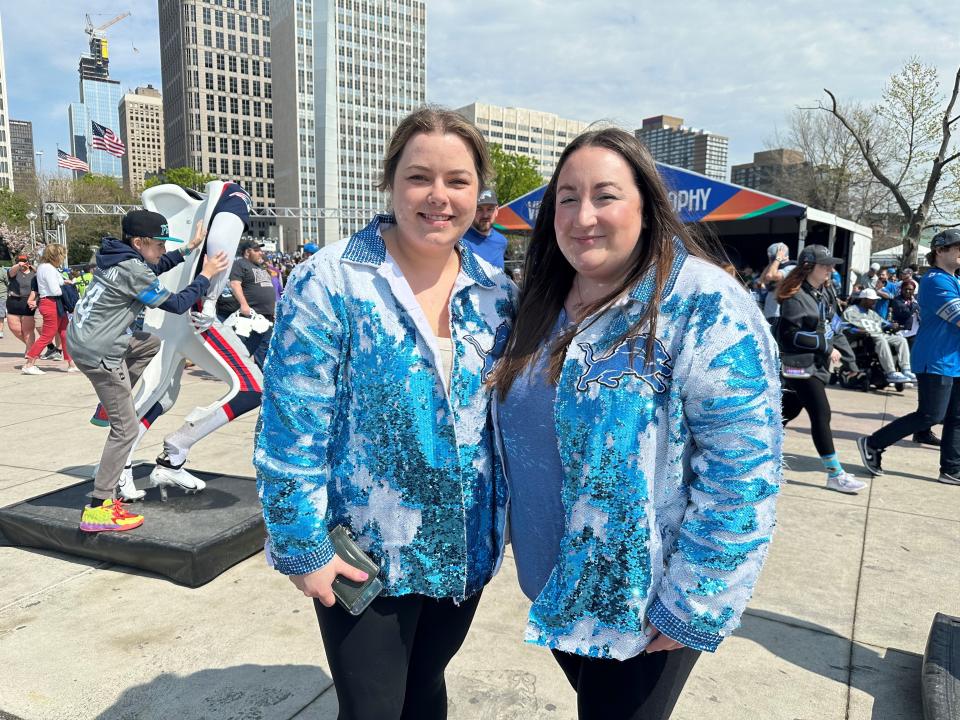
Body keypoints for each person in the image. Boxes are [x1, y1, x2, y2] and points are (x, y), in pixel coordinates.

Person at [490, 127, 782, 720]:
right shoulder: (540, 300)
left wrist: (694, 603)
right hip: (555, 588)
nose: (583, 215)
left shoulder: (704, 303)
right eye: (567, 198)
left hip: (645, 604)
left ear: (647, 208)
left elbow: (743, 470)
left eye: (606, 195)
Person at [255, 107, 516, 720]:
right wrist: (300, 545)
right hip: (364, 551)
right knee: (371, 708)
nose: (439, 197)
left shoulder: (498, 293)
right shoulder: (332, 281)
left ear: (480, 193)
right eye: (419, 177)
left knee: (426, 689)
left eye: (458, 180)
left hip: (463, 547)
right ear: (390, 182)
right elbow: (292, 425)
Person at [67, 209, 229, 532]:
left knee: (147, 343)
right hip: (100, 353)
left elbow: (155, 266)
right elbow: (179, 303)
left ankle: (111, 399)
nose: (163, 250)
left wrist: (187, 249)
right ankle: (98, 507)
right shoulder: (133, 269)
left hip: (81, 339)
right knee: (126, 429)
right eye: (159, 244)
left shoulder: (115, 257)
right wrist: (206, 274)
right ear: (139, 242)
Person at [858, 229, 960, 485]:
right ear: (940, 251)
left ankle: (952, 469)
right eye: (958, 247)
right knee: (930, 415)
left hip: (953, 359)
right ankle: (873, 443)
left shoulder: (954, 280)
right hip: (935, 358)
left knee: (957, 416)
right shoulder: (936, 280)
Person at [777, 244, 867, 493]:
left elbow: (836, 329)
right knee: (821, 414)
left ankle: (758, 454)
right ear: (808, 267)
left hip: (816, 365)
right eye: (824, 264)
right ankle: (835, 474)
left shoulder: (824, 294)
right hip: (798, 366)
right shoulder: (795, 297)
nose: (830, 268)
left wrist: (851, 363)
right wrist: (826, 348)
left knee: (786, 412)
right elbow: (789, 336)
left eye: (830, 264)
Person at [22, 244, 77, 375]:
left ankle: (71, 363)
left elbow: (56, 284)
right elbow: (55, 290)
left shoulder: (44, 267)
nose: (63, 258)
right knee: (48, 335)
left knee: (65, 333)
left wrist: (64, 282)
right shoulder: (49, 269)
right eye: (62, 255)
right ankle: (29, 363)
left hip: (52, 303)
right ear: (56, 256)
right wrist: (65, 287)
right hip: (52, 302)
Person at [842, 288, 915, 385]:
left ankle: (906, 370)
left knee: (901, 340)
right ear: (864, 299)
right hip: (865, 338)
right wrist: (858, 330)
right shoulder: (851, 311)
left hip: (879, 334)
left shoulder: (872, 313)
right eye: (872, 299)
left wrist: (892, 325)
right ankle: (891, 372)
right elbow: (845, 327)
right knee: (881, 339)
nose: (874, 301)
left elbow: (883, 323)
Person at [224, 239, 275, 368]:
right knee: (247, 349)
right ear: (247, 252)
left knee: (265, 348)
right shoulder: (240, 264)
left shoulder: (259, 267)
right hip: (252, 316)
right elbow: (235, 284)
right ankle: (244, 374)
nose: (261, 253)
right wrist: (244, 304)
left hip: (267, 316)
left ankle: (261, 378)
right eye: (257, 250)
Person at [461, 188, 509, 268]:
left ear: (496, 210)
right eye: (479, 209)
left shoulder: (502, 241)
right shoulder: (459, 241)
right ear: (471, 210)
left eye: (490, 209)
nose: (485, 215)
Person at [6, 254, 37, 356]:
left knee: (27, 330)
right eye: (20, 261)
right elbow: (10, 272)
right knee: (15, 329)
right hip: (13, 302)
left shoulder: (34, 273)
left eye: (24, 261)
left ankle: (30, 351)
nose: (22, 262)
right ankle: (32, 347)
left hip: (27, 302)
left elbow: (42, 275)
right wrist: (18, 265)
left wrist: (33, 268)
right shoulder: (14, 272)